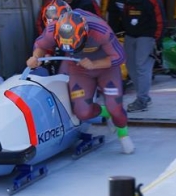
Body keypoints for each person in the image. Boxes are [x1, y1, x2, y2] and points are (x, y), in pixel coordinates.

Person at [26, 8, 134, 154]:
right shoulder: (53, 29)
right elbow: (41, 45)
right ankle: (105, 112)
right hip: (79, 68)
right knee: (82, 112)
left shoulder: (100, 31)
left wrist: (95, 64)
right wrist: (35, 57)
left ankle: (123, 133)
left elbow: (120, 57)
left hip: (106, 68)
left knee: (115, 107)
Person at [107, 0, 166, 112]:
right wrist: (111, 34)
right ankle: (144, 96)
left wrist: (157, 40)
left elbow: (160, 17)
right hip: (130, 33)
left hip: (147, 34)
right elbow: (112, 14)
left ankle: (142, 99)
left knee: (141, 66)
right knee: (131, 67)